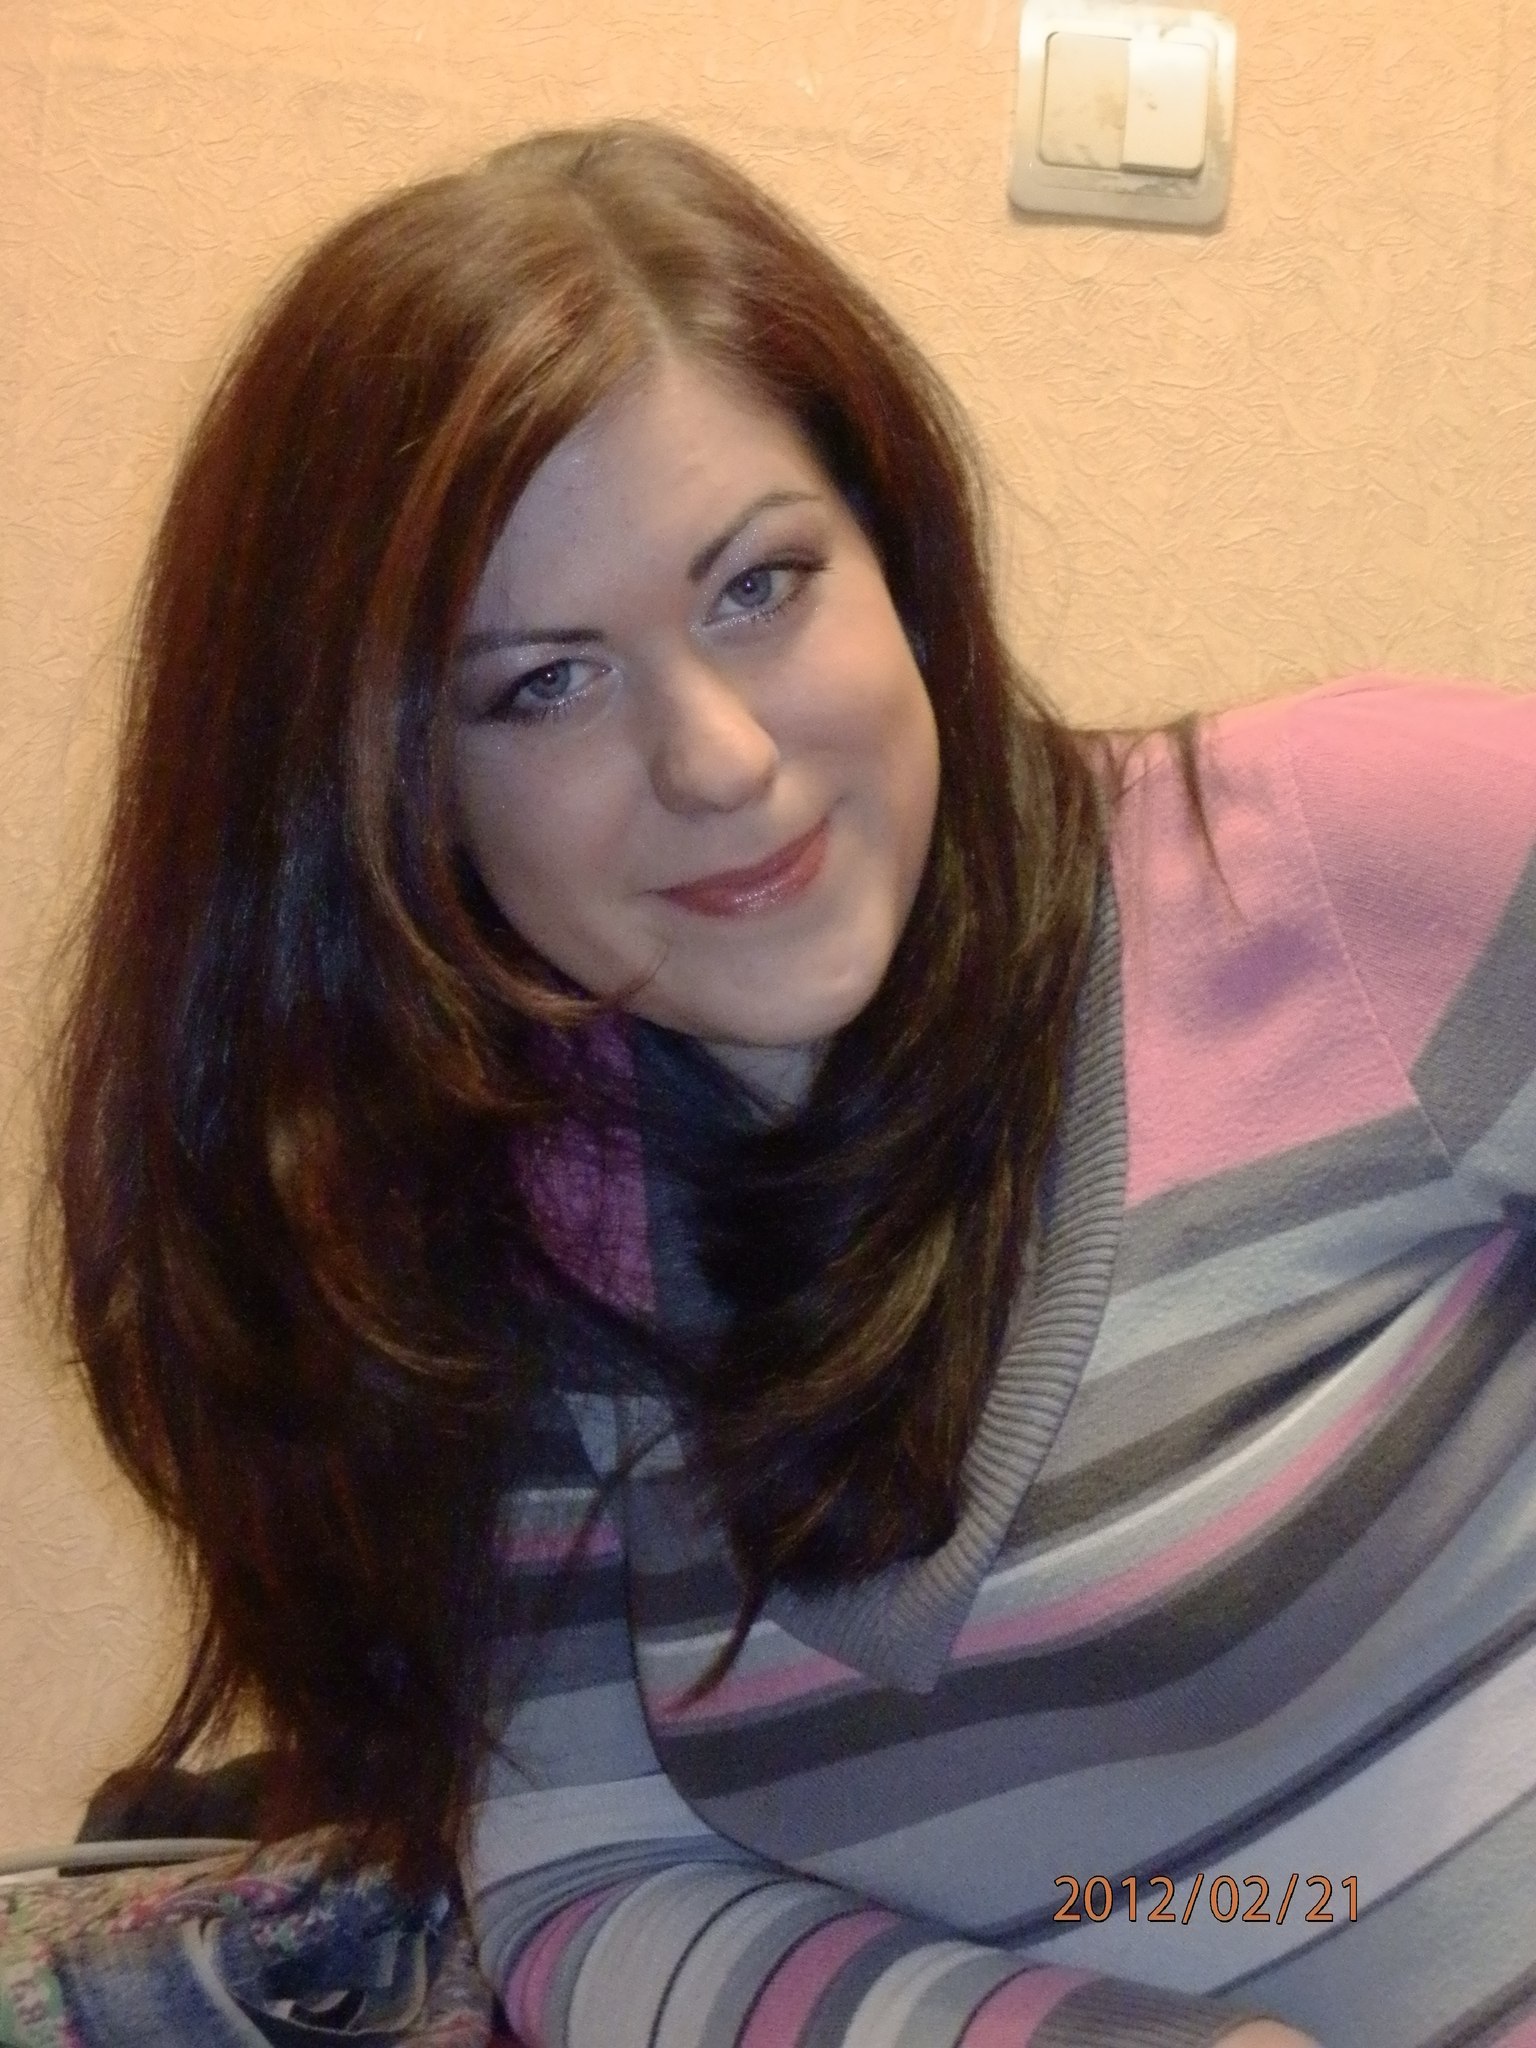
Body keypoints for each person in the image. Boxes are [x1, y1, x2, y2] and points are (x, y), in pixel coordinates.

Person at [46, 121, 1536, 2048]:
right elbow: (588, 1882)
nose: (721, 759)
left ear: (893, 550)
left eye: (760, 585)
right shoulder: (497, 1216)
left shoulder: (1353, 859)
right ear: (383, 794)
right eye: (546, 684)